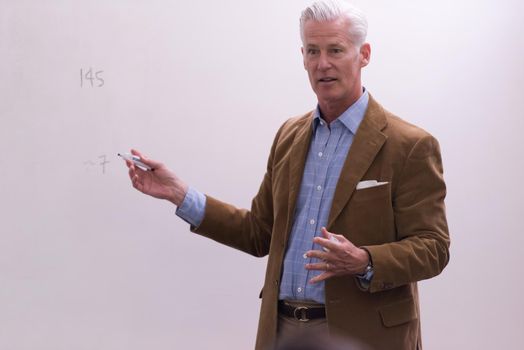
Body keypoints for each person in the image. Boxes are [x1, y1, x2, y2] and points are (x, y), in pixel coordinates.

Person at [123, 1, 450, 349]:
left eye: (335, 50)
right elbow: (258, 233)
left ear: (364, 54)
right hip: (282, 332)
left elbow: (434, 247)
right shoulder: (289, 137)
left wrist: (364, 261)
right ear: (303, 57)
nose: (322, 63)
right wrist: (180, 194)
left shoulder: (410, 145)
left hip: (365, 336)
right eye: (313, 51)